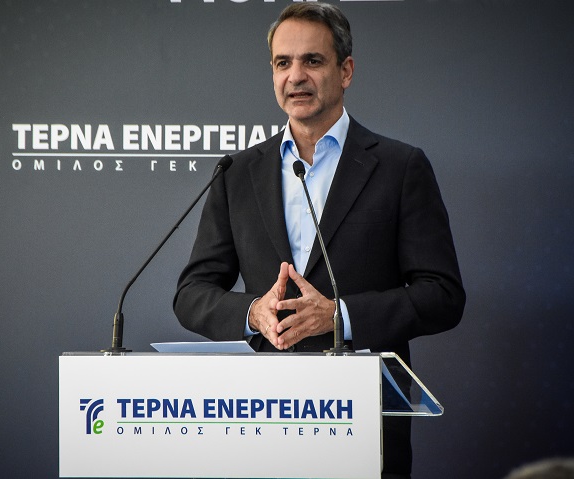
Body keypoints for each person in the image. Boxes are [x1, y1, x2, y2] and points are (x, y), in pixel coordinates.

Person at [173, 3, 465, 478]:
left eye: (312, 60)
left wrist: (339, 316)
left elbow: (443, 295)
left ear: (345, 71)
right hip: (261, 420)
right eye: (282, 63)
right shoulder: (237, 172)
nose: (296, 76)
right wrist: (253, 312)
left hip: (364, 422)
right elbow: (192, 294)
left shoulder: (399, 167)